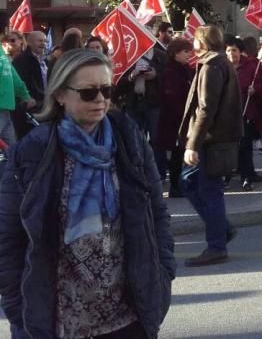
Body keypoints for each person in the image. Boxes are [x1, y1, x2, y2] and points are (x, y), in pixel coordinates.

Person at [0, 49, 174, 338]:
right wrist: (19, 308)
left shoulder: (129, 144)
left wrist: (163, 275)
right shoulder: (32, 153)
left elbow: (157, 215)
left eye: (106, 90)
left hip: (127, 318)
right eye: (88, 92)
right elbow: (8, 237)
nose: (101, 100)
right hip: (56, 320)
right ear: (59, 95)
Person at [179, 25, 243, 266]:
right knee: (188, 182)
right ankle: (221, 229)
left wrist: (192, 144)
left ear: (201, 43)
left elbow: (206, 108)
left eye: (194, 40)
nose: (192, 44)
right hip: (214, 138)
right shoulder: (218, 63)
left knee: (210, 191)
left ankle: (216, 245)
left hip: (211, 140)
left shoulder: (212, 65)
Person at [156, 37, 194, 198]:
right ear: (175, 53)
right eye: (185, 51)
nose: (189, 54)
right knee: (177, 155)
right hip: (175, 120)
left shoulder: (184, 69)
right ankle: (176, 187)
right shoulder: (171, 72)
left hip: (182, 119)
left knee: (181, 153)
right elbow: (172, 98)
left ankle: (181, 185)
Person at [228, 37, 262, 191]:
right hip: (228, 114)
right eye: (229, 51)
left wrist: (255, 90)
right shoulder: (221, 67)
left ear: (240, 51)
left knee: (245, 145)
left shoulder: (252, 65)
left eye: (235, 50)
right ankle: (229, 174)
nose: (232, 54)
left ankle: (246, 177)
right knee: (231, 146)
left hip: (246, 112)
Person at [0, 40, 34, 148]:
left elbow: (13, 75)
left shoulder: (1, 52)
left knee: (11, 151)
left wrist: (25, 95)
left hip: (5, 109)